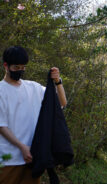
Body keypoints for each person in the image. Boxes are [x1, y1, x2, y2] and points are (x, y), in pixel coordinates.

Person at [0, 46, 67, 184]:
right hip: (7, 159)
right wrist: (22, 147)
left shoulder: (33, 88)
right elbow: (2, 126)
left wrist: (57, 82)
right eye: (16, 67)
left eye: (23, 67)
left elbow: (61, 102)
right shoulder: (1, 91)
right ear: (5, 65)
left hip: (32, 159)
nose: (20, 70)